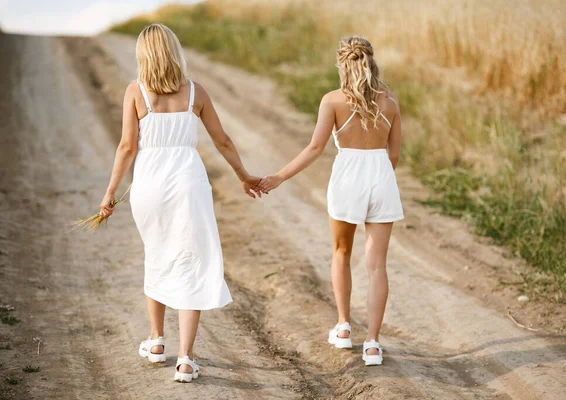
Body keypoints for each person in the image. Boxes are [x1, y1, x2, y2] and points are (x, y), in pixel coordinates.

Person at [99, 23, 262, 382]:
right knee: (192, 261)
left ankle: (157, 341)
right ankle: (186, 360)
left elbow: (127, 147)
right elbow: (222, 140)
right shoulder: (195, 92)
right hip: (188, 183)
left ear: (143, 54)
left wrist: (110, 192)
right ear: (174, 51)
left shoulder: (135, 92)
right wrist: (243, 174)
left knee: (157, 254)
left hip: (150, 184)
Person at [259, 36, 403, 366]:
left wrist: (279, 177)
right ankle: (372, 344)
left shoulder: (333, 101)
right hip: (381, 177)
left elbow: (314, 149)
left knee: (341, 252)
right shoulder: (391, 103)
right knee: (377, 265)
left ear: (343, 65)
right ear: (371, 62)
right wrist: (378, 176)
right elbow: (393, 154)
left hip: (347, 179)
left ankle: (343, 328)